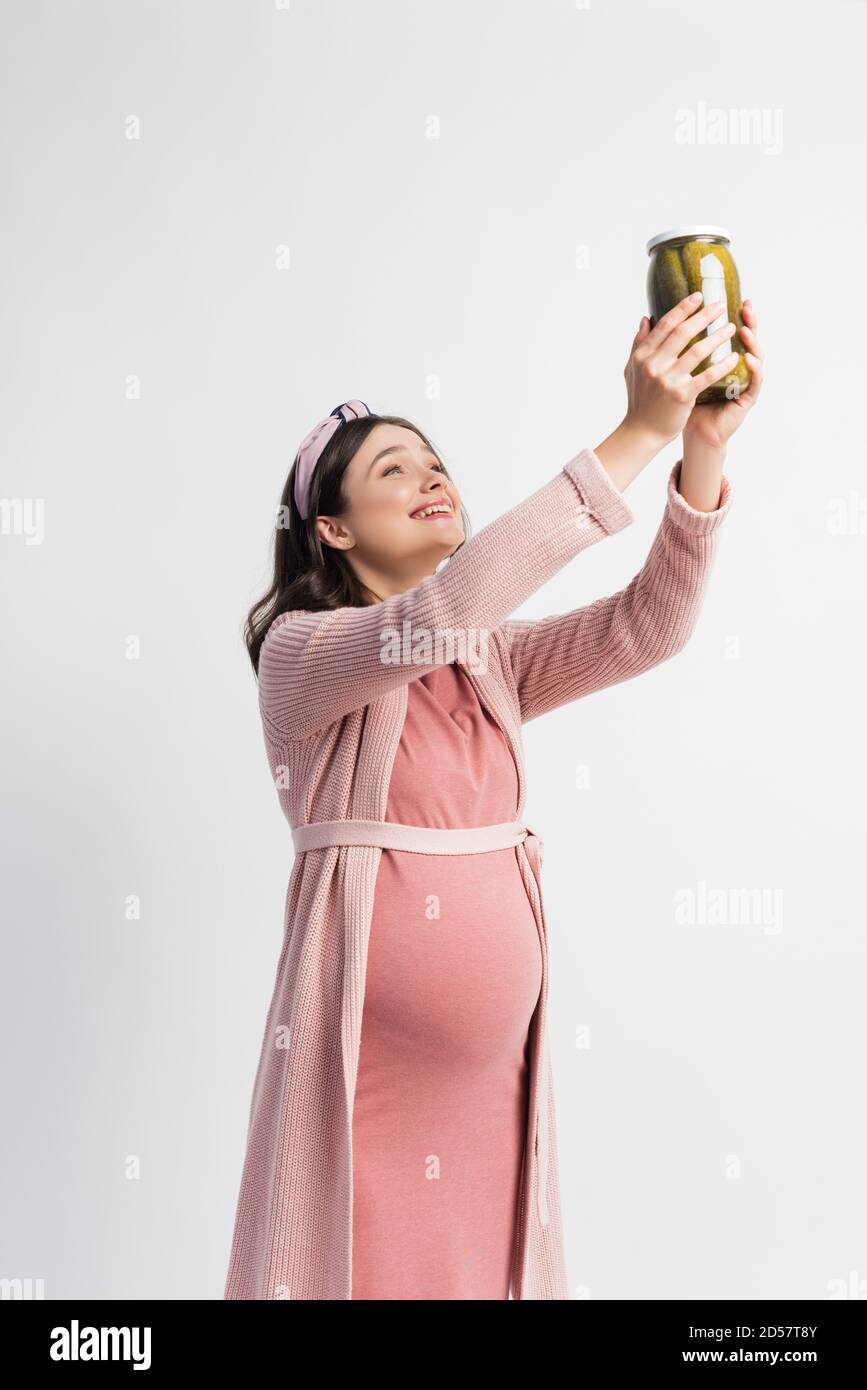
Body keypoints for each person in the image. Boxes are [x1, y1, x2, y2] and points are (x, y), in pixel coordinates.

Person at [224, 293, 764, 1300]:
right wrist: (635, 431)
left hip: (488, 1095)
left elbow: (648, 627)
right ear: (332, 529)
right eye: (395, 469)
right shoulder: (302, 659)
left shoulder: (491, 662)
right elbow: (444, 604)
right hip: (364, 1097)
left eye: (435, 461)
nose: (432, 475)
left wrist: (694, 452)